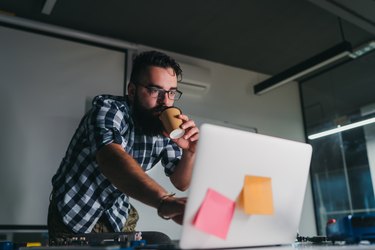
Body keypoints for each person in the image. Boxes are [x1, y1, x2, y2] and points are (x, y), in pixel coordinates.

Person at [47, 50, 199, 240]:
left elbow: (181, 182)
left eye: (171, 93)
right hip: (75, 211)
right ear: (132, 91)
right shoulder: (108, 109)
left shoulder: (163, 126)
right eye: (155, 91)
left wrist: (190, 152)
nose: (165, 102)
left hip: (117, 213)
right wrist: (163, 201)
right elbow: (111, 160)